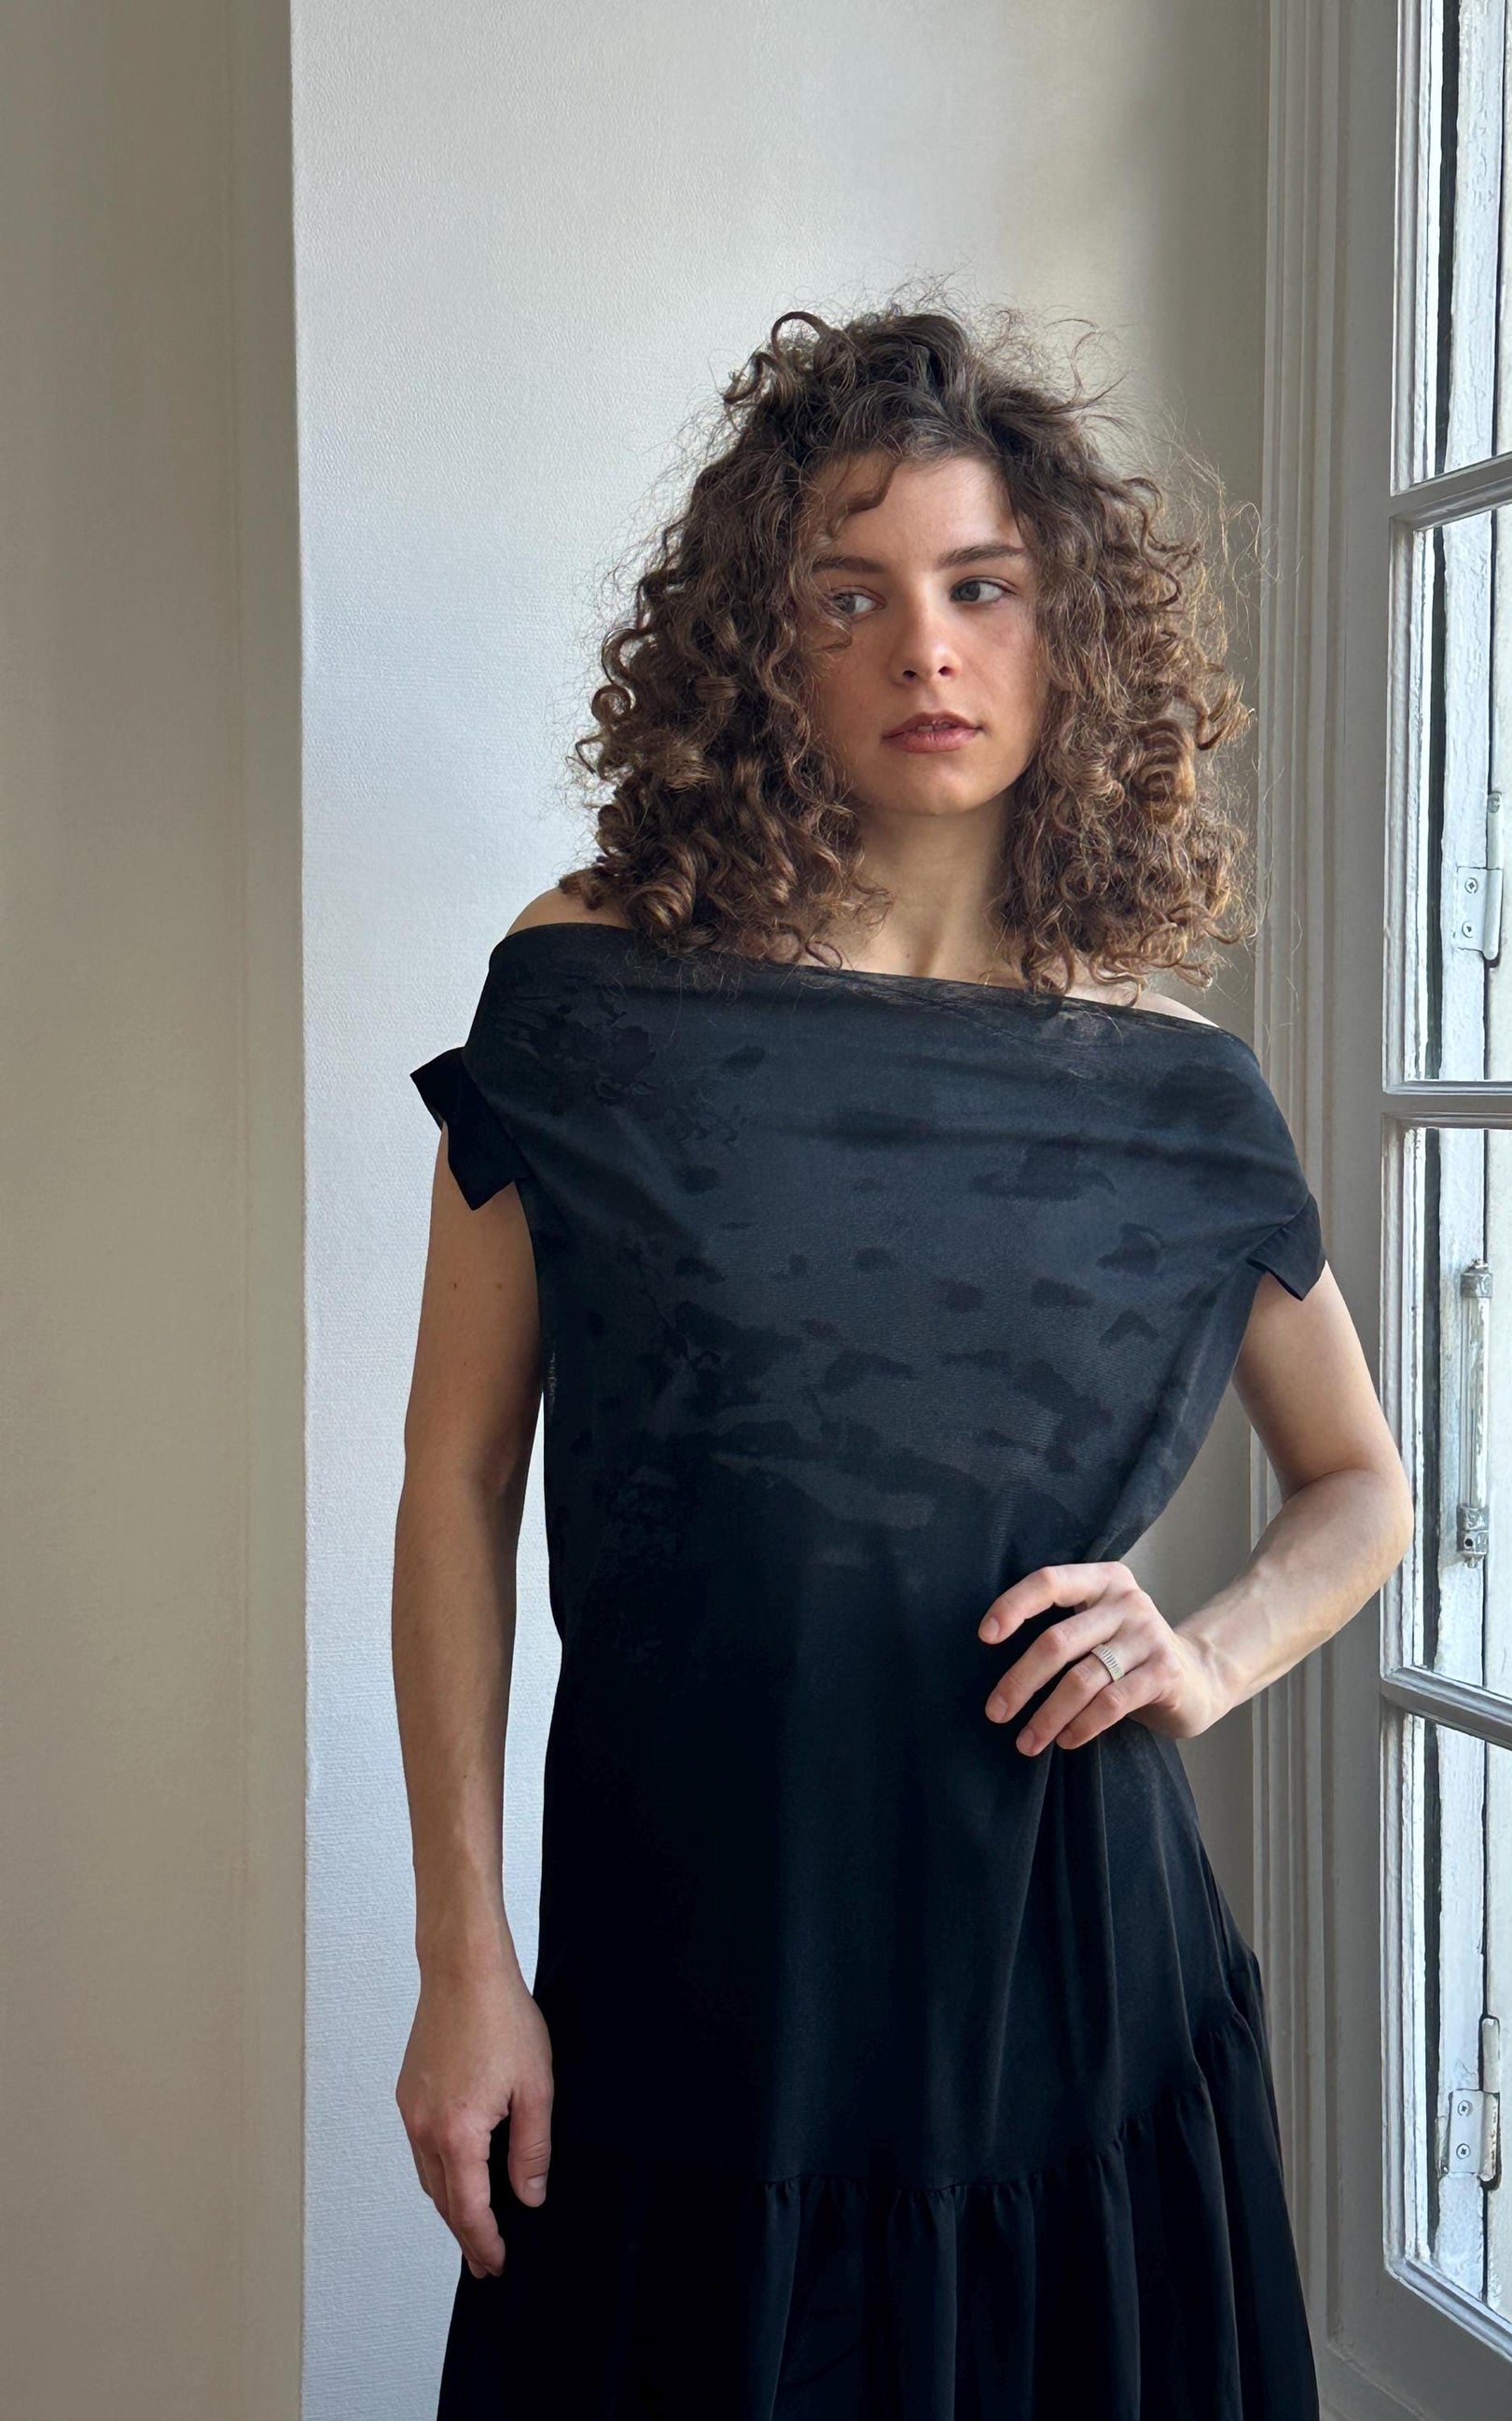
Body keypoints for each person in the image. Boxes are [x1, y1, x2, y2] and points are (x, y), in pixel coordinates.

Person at [392, 297, 1413, 2418]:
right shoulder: (587, 999)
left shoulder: (1179, 1092)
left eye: (982, 588)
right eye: (846, 595)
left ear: (1070, 633)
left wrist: (1199, 1654)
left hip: (1074, 1998)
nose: (923, 651)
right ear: (760, 649)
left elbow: (1361, 1486)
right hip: (689, 1980)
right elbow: (457, 1478)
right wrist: (463, 1951)